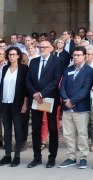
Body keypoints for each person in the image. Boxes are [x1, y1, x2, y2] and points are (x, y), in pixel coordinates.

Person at [26, 40, 63, 169]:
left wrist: (41, 94)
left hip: (49, 99)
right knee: (35, 129)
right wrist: (35, 93)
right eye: (40, 47)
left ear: (51, 48)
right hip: (36, 100)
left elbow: (55, 80)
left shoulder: (57, 61)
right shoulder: (34, 61)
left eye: (45, 47)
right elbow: (28, 80)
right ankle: (37, 157)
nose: (42, 49)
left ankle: (52, 157)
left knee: (53, 129)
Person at [58, 46, 93, 169]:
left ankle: (83, 157)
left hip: (81, 107)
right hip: (67, 107)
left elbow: (86, 89)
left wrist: (72, 101)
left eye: (78, 55)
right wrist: (66, 100)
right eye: (74, 55)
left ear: (84, 56)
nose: (76, 57)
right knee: (68, 134)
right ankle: (71, 157)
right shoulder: (67, 69)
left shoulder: (89, 71)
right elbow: (62, 86)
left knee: (82, 133)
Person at [0, 47, 29, 167]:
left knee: (18, 130)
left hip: (18, 103)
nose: (11, 57)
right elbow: (1, 86)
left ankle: (17, 156)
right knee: (7, 129)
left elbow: (26, 88)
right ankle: (7, 155)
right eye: (9, 54)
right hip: (5, 102)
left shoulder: (24, 68)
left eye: (14, 54)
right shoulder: (5, 68)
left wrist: (25, 104)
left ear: (18, 56)